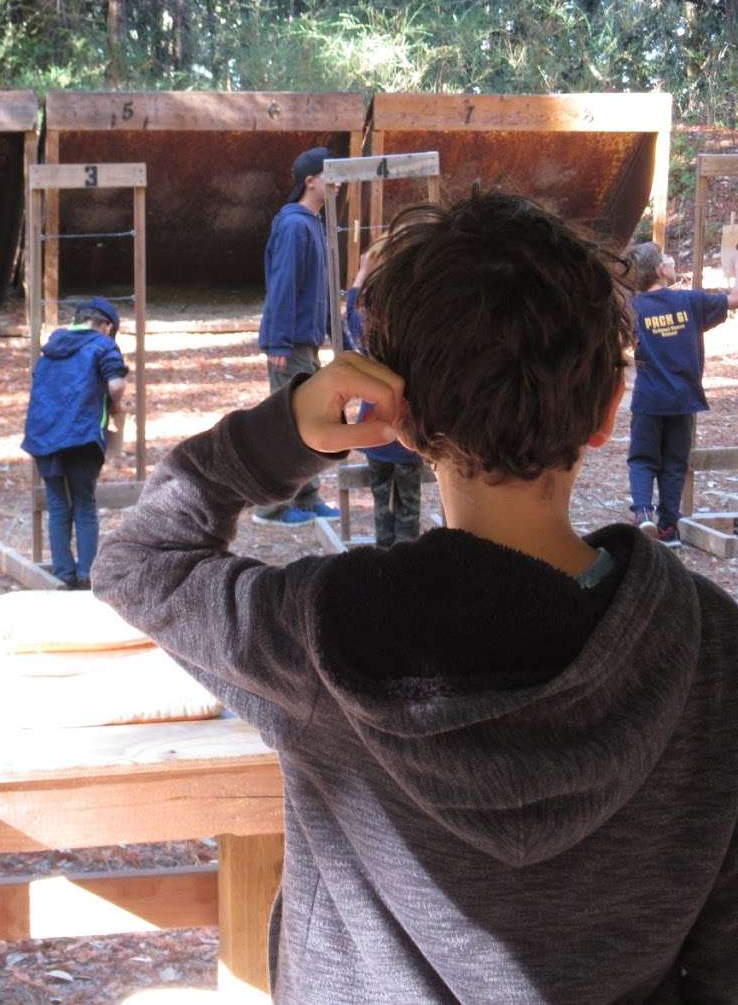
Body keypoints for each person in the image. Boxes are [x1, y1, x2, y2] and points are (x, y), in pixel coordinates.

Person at [94, 191, 738, 1003]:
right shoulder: (713, 651)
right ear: (610, 409)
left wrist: (283, 431)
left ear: (401, 421)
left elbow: (138, 560)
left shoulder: (316, 640)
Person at [626, 240, 738, 544]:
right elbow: (734, 299)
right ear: (661, 270)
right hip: (682, 399)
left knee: (642, 459)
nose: (673, 261)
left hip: (648, 401)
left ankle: (642, 515)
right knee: (675, 462)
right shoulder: (690, 302)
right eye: (667, 258)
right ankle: (669, 527)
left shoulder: (633, 308)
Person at [253, 145, 338, 526]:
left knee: (311, 420)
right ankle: (272, 506)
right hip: (290, 345)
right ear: (310, 180)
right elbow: (283, 286)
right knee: (287, 427)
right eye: (330, 176)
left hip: (307, 344)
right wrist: (278, 342)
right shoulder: (293, 225)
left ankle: (306, 498)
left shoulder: (313, 224)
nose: (337, 184)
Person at [22, 296, 128, 590]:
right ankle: (87, 574)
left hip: (43, 436)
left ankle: (62, 574)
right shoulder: (103, 345)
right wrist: (116, 405)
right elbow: (116, 384)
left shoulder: (51, 348)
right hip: (82, 435)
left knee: (58, 504)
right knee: (84, 502)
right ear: (105, 325)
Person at [346, 244, 422, 545]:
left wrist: (359, 277)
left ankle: (384, 556)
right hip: (407, 433)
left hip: (374, 432)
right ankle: (408, 564)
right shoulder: (413, 324)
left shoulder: (367, 324)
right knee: (409, 507)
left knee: (382, 506)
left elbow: (349, 322)